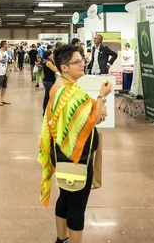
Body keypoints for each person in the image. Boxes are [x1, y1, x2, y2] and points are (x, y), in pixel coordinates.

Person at [38, 44, 111, 243]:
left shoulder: (62, 87)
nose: (82, 64)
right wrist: (101, 97)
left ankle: (62, 239)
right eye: (77, 62)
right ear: (64, 67)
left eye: (82, 60)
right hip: (76, 156)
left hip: (64, 152)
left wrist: (93, 113)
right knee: (77, 205)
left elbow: (84, 117)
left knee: (65, 197)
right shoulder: (68, 91)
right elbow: (92, 118)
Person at [41, 50, 59, 116]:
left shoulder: (47, 61)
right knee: (47, 96)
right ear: (49, 55)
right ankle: (45, 111)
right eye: (52, 54)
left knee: (47, 96)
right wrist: (54, 61)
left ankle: (46, 111)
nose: (53, 55)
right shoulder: (48, 62)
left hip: (48, 80)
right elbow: (55, 69)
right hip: (48, 81)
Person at [0, 40, 10, 106]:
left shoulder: (6, 52)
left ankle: (2, 98)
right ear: (4, 45)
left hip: (5, 72)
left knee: (4, 86)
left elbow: (7, 60)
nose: (8, 45)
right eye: (7, 44)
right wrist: (1, 60)